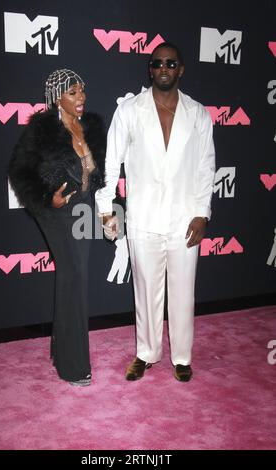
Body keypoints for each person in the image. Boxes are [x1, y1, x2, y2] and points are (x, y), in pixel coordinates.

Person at [95, 42, 215, 382]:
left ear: (181, 69)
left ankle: (182, 356)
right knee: (145, 290)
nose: (164, 68)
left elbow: (207, 167)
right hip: (143, 218)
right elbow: (110, 161)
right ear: (150, 69)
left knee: (183, 291)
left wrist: (202, 213)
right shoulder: (130, 110)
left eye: (171, 63)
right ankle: (146, 353)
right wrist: (105, 208)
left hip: (184, 220)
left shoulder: (199, 114)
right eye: (158, 63)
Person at [8, 69, 105, 386]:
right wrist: (48, 199)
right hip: (57, 211)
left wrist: (106, 210)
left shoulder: (90, 126)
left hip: (85, 208)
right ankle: (74, 366)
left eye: (82, 90)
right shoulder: (41, 129)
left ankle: (63, 352)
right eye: (73, 92)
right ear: (56, 96)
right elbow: (20, 172)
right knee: (73, 278)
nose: (81, 98)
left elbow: (99, 171)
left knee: (76, 281)